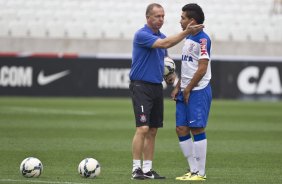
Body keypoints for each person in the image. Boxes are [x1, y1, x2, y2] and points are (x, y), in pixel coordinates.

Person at [129, 3, 204, 180]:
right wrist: (187, 32)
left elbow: (167, 71)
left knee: (153, 130)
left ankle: (147, 169)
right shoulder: (142, 35)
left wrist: (176, 84)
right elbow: (165, 43)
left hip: (156, 87)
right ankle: (135, 169)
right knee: (143, 128)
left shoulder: (161, 37)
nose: (161, 19)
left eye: (163, 16)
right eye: (157, 16)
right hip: (141, 86)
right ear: (148, 17)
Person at [170, 3, 212, 181]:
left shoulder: (203, 40)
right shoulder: (187, 38)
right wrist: (178, 86)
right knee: (181, 128)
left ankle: (201, 173)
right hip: (185, 89)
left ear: (192, 21)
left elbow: (202, 68)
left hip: (198, 90)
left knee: (196, 128)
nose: (180, 21)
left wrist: (187, 89)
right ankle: (193, 170)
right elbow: (187, 65)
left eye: (183, 18)